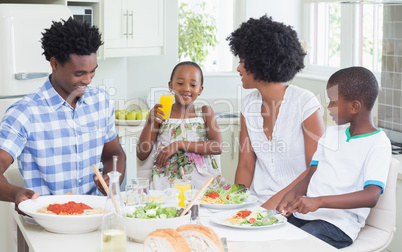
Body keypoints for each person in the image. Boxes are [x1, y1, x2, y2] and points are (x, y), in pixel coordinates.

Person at [0, 17, 126, 213]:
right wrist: (16, 193)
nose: (88, 80)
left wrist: (111, 177)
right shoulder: (25, 113)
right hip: (45, 222)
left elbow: (114, 153)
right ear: (55, 64)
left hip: (94, 217)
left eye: (92, 72)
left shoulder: (100, 101)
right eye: (79, 73)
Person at [277, 66, 392, 249]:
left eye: (333, 102)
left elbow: (371, 196)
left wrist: (319, 201)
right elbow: (310, 177)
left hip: (338, 225)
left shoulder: (378, 143)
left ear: (354, 106)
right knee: (272, 235)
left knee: (298, 245)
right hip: (305, 216)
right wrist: (291, 195)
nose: (328, 108)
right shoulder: (330, 134)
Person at [226, 15, 325, 208]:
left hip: (297, 206)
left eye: (242, 61)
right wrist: (232, 204)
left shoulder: (305, 103)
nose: (238, 68)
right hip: (257, 205)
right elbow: (246, 166)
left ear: (260, 62)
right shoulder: (248, 106)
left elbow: (315, 169)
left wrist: (268, 208)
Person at [137, 61, 229, 190]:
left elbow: (217, 147)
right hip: (166, 185)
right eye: (180, 83)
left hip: (202, 184)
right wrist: (149, 122)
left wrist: (178, 144)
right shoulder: (162, 114)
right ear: (170, 85)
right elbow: (142, 154)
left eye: (193, 85)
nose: (186, 88)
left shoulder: (204, 112)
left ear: (200, 89)